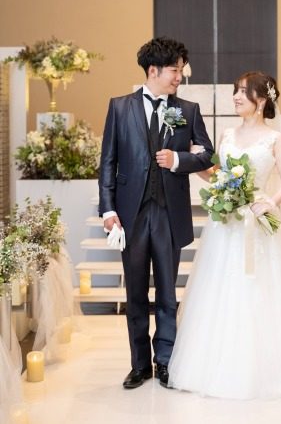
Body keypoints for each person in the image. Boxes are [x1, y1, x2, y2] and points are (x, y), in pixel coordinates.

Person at [167, 72, 281, 399]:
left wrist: (269, 202)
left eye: (243, 92)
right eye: (236, 91)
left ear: (261, 100)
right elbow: (217, 174)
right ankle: (214, 367)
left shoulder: (275, 139)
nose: (236, 96)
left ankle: (268, 369)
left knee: (261, 288)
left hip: (257, 223)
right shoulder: (227, 134)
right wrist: (193, 161)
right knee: (220, 288)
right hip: (225, 224)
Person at [98, 37, 214, 390]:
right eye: (174, 70)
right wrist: (108, 209)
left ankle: (165, 361)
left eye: (181, 70)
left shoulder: (188, 110)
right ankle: (139, 365)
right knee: (135, 294)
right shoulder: (120, 107)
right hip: (130, 215)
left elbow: (207, 155)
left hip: (168, 213)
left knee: (167, 293)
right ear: (153, 70)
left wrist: (179, 160)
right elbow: (108, 162)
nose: (180, 76)